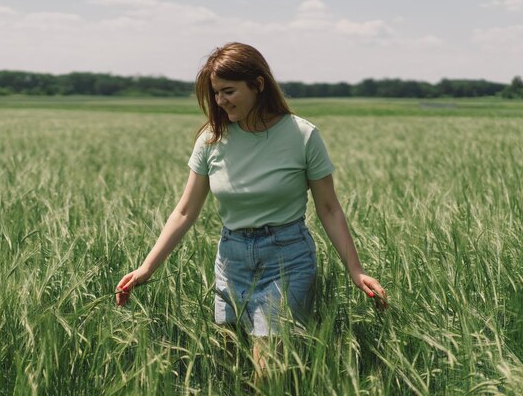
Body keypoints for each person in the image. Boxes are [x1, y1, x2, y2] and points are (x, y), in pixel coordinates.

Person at [115, 42, 388, 376]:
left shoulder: (302, 135)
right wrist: (146, 268)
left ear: (258, 85)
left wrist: (356, 270)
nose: (220, 101)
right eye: (215, 93)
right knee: (232, 368)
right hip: (231, 259)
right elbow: (185, 212)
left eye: (228, 91)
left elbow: (329, 209)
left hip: (287, 260)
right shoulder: (212, 140)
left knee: (266, 371)